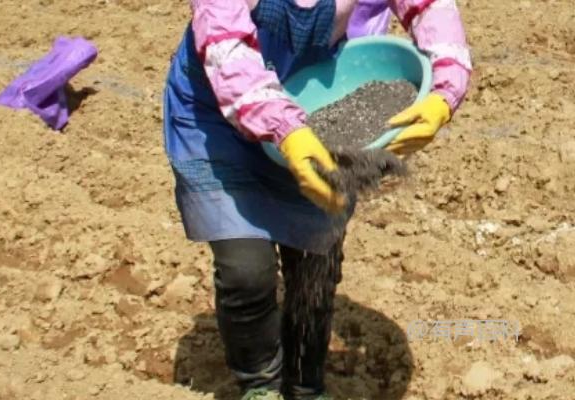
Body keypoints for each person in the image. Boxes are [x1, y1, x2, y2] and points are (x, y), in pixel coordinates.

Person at [162, 0, 471, 399]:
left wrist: (444, 92)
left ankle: (306, 387)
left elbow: (430, 7)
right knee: (245, 270)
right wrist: (283, 128)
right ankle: (260, 385)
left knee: (315, 262)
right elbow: (227, 46)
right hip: (219, 114)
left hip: (317, 97)